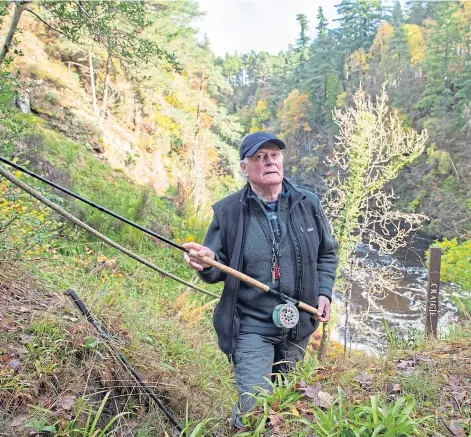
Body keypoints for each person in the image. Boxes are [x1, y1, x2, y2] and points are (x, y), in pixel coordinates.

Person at [183, 132, 338, 429]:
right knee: (256, 403)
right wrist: (204, 262)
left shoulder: (308, 204)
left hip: (299, 323)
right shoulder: (228, 212)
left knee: (284, 403)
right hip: (251, 324)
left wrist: (324, 292)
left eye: (274, 155)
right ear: (244, 168)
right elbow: (216, 269)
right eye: (259, 157)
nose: (270, 162)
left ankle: (239, 428)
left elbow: (327, 254)